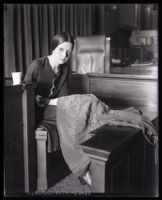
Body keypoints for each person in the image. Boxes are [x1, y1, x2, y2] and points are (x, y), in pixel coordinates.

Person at [24, 32, 92, 186]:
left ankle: (83, 166)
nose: (64, 55)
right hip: (34, 113)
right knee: (74, 113)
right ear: (53, 48)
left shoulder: (65, 68)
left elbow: (64, 96)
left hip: (53, 109)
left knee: (78, 111)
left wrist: (49, 101)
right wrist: (36, 98)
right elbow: (25, 94)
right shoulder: (37, 65)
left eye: (68, 52)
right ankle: (83, 169)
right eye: (61, 50)